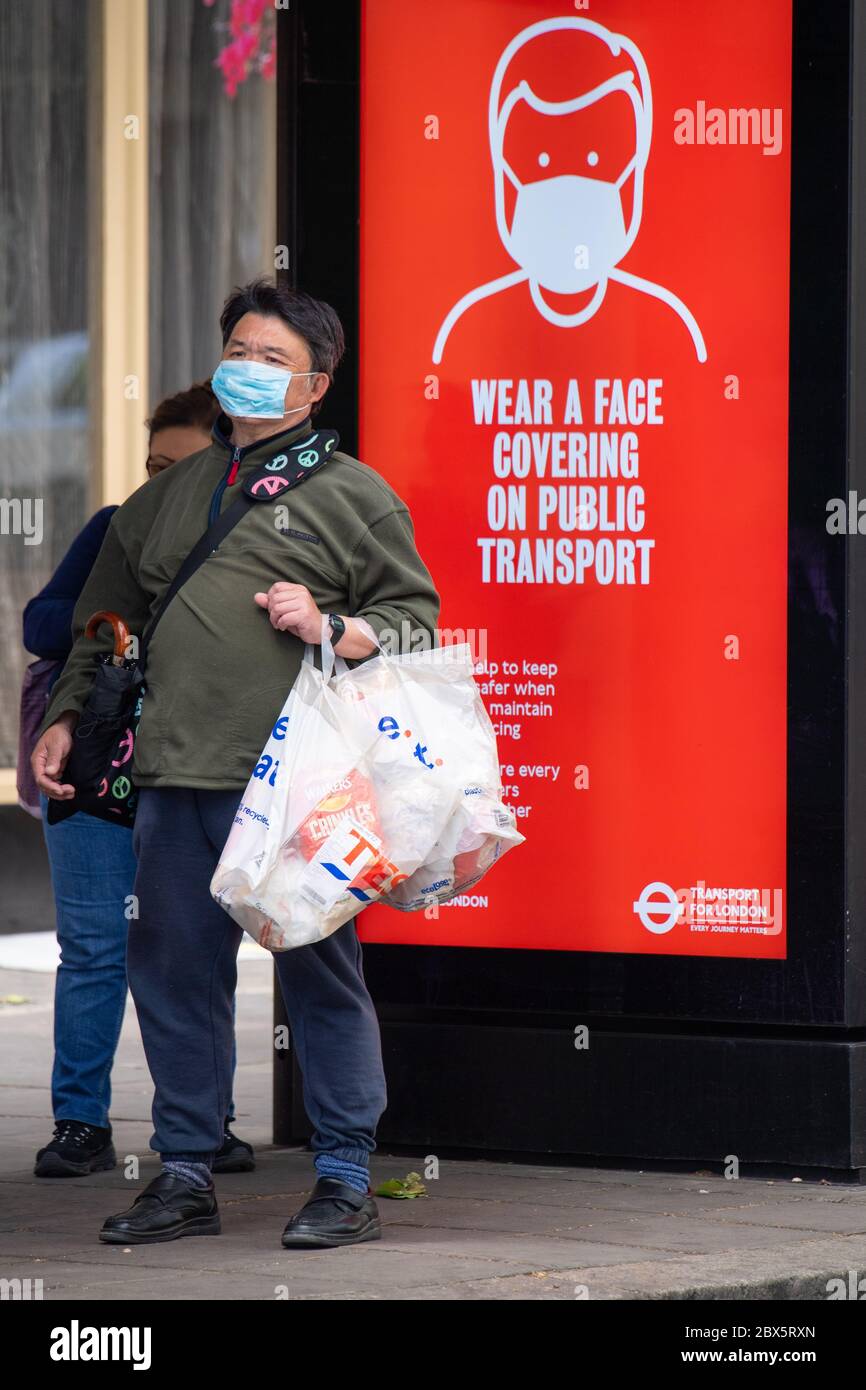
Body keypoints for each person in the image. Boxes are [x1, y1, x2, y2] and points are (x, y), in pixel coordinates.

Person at [32, 278, 440, 1249]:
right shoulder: (165, 496)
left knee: (318, 975)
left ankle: (343, 1178)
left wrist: (330, 623)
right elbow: (106, 616)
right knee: (174, 972)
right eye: (239, 352)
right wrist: (65, 715)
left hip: (304, 782)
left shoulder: (354, 495)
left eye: (273, 361)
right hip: (173, 777)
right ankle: (183, 1171)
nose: (248, 372)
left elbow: (414, 621)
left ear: (315, 387)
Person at [24, 381, 255, 1179]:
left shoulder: (255, 532)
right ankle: (80, 1125)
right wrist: (122, 618)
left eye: (181, 468)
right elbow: (43, 622)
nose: (162, 484)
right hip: (98, 764)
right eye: (153, 465)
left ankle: (205, 1120)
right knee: (92, 951)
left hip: (197, 769)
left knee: (197, 951)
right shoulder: (117, 527)